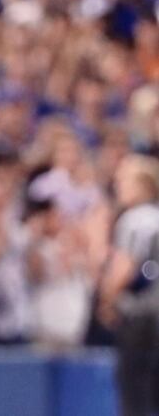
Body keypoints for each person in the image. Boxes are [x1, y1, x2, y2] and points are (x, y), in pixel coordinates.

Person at [98, 154, 159, 416]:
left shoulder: (133, 219)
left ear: (143, 185)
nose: (118, 184)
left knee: (134, 399)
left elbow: (124, 269)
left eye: (124, 179)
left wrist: (106, 301)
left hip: (140, 320)